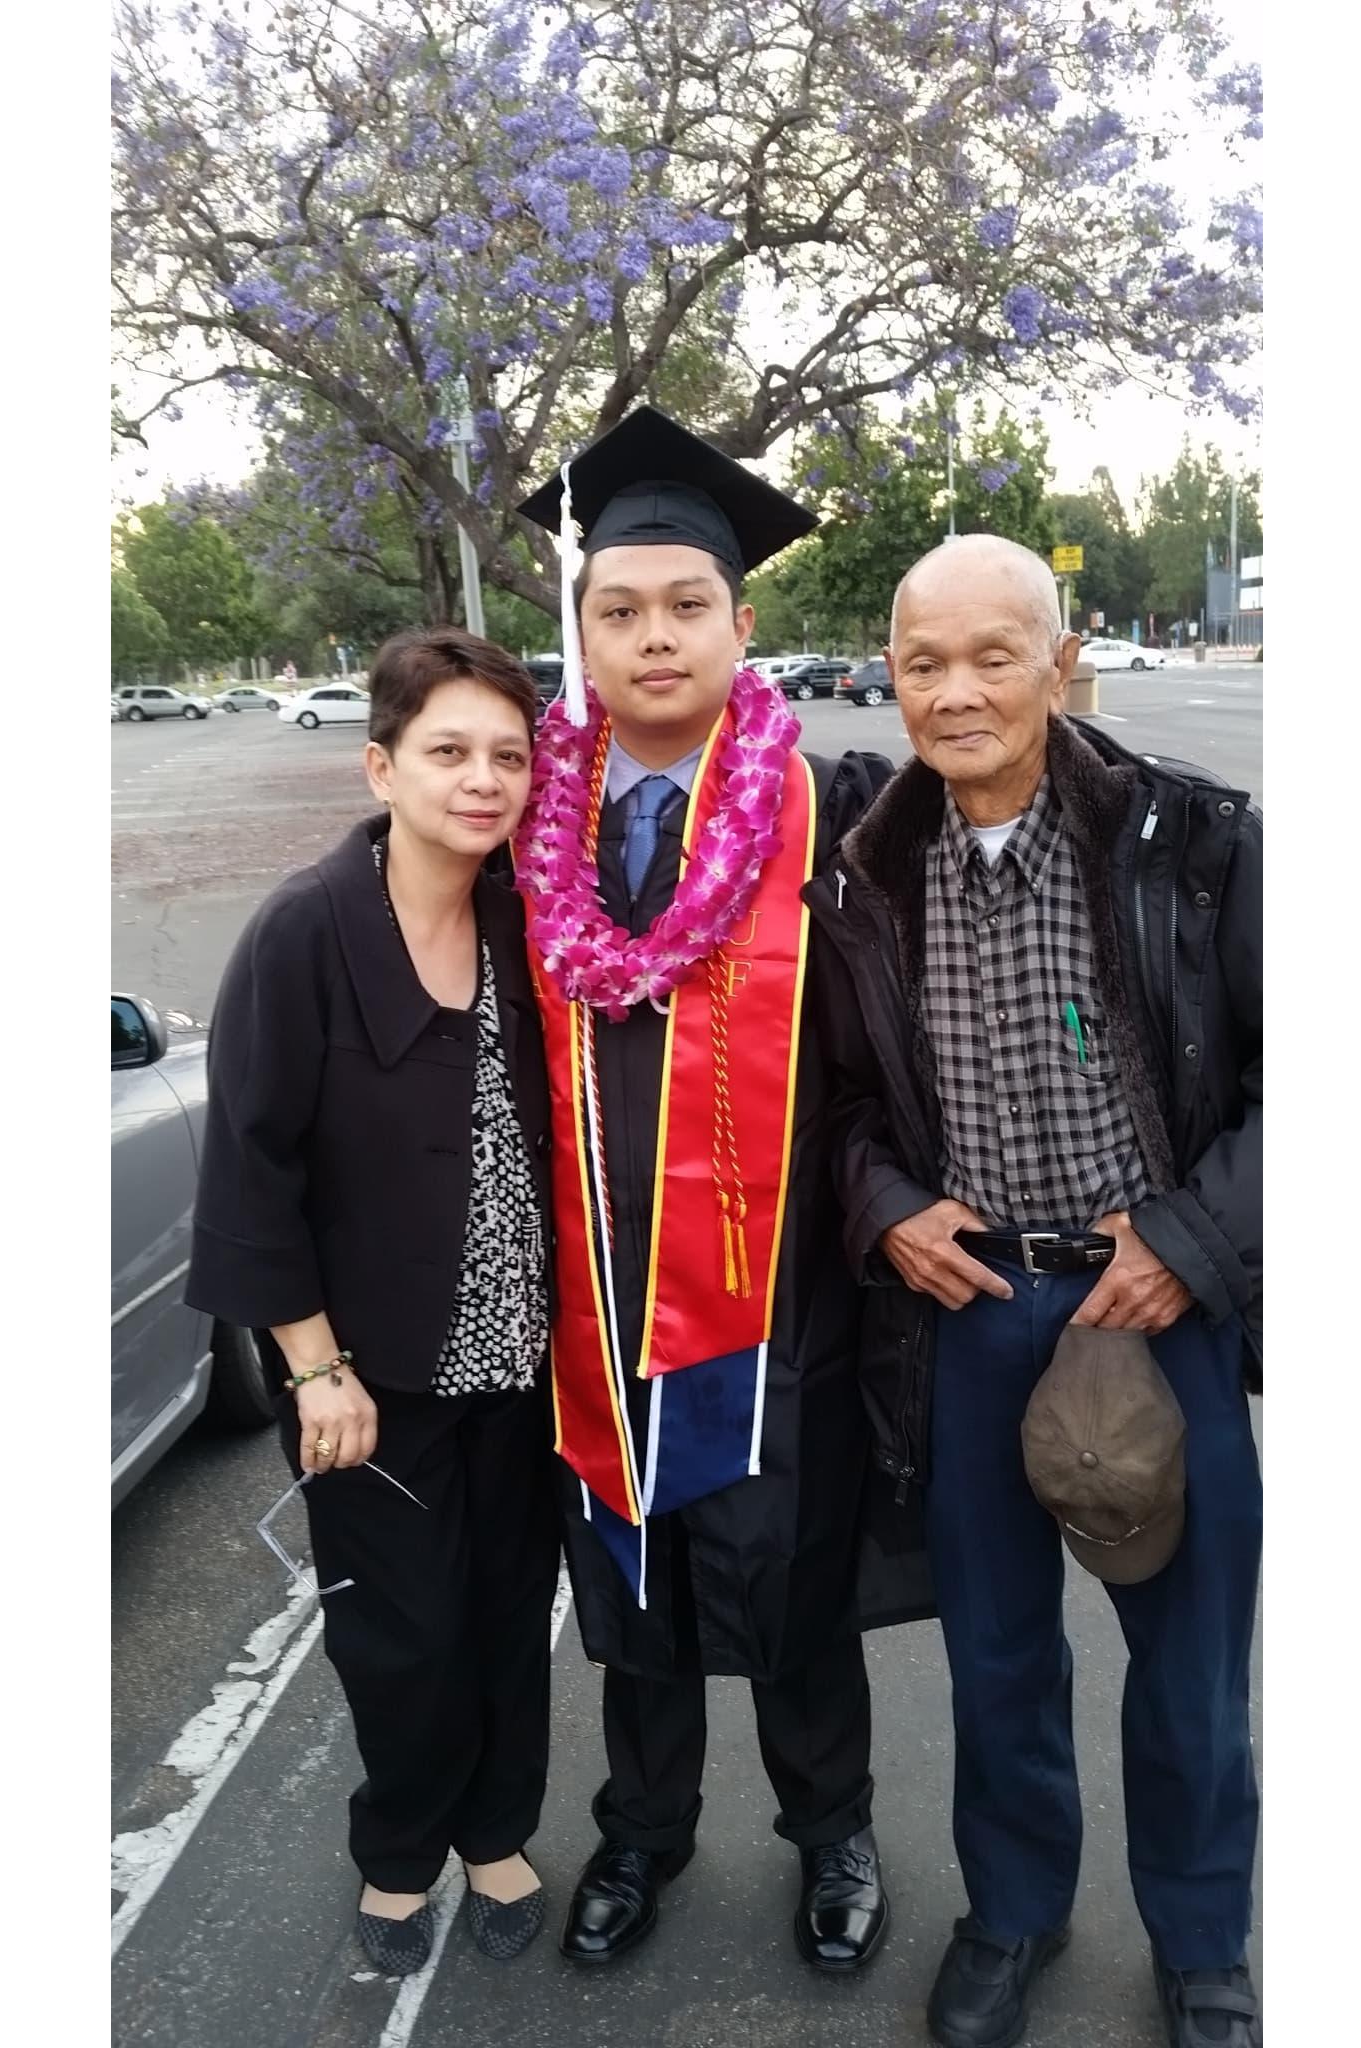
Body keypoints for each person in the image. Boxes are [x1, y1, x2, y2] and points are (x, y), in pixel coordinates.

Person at [807, 535, 1263, 2048]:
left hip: (1158, 1310)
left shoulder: (1191, 847)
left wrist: (1189, 1244)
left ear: (1059, 661)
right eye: (923, 662)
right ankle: (1013, 1911)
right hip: (973, 1317)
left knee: (1188, 1667)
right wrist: (884, 1214)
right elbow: (847, 1108)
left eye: (992, 654)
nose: (956, 692)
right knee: (998, 1655)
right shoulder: (868, 877)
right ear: (890, 675)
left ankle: (1201, 1939)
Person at [508, 406, 899, 1972]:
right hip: (593, 1295)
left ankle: (835, 1831)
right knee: (630, 1591)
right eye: (620, 609)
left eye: (686, 606)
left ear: (747, 623)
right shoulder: (516, 826)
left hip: (776, 1296)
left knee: (795, 1587)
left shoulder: (847, 816)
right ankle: (642, 1834)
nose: (653, 635)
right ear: (583, 634)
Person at [184, 629, 560, 1976]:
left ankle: (497, 1827)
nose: (482, 780)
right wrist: (312, 1365)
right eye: (448, 752)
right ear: (381, 764)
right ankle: (401, 1848)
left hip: (525, 1361)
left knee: (513, 1612)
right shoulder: (307, 931)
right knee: (401, 1637)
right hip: (375, 1374)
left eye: (507, 755)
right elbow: (252, 1158)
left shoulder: (531, 913)